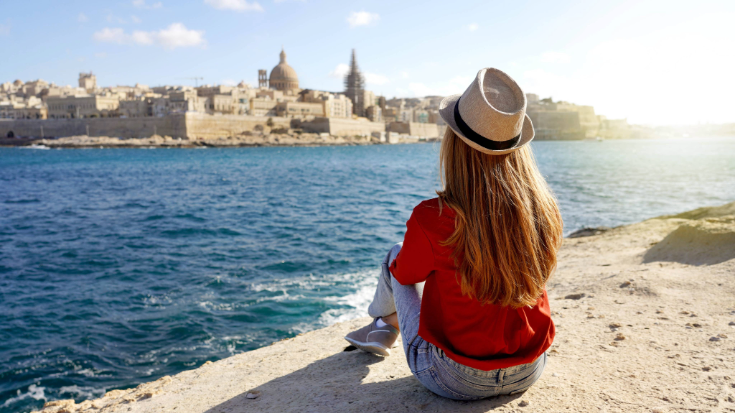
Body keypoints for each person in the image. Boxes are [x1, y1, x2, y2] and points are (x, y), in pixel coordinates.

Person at [344, 68, 564, 400]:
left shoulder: (433, 217)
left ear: (455, 145)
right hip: (528, 368)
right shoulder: (544, 209)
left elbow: (405, 274)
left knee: (396, 255)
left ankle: (383, 326)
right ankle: (382, 326)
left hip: (456, 378)